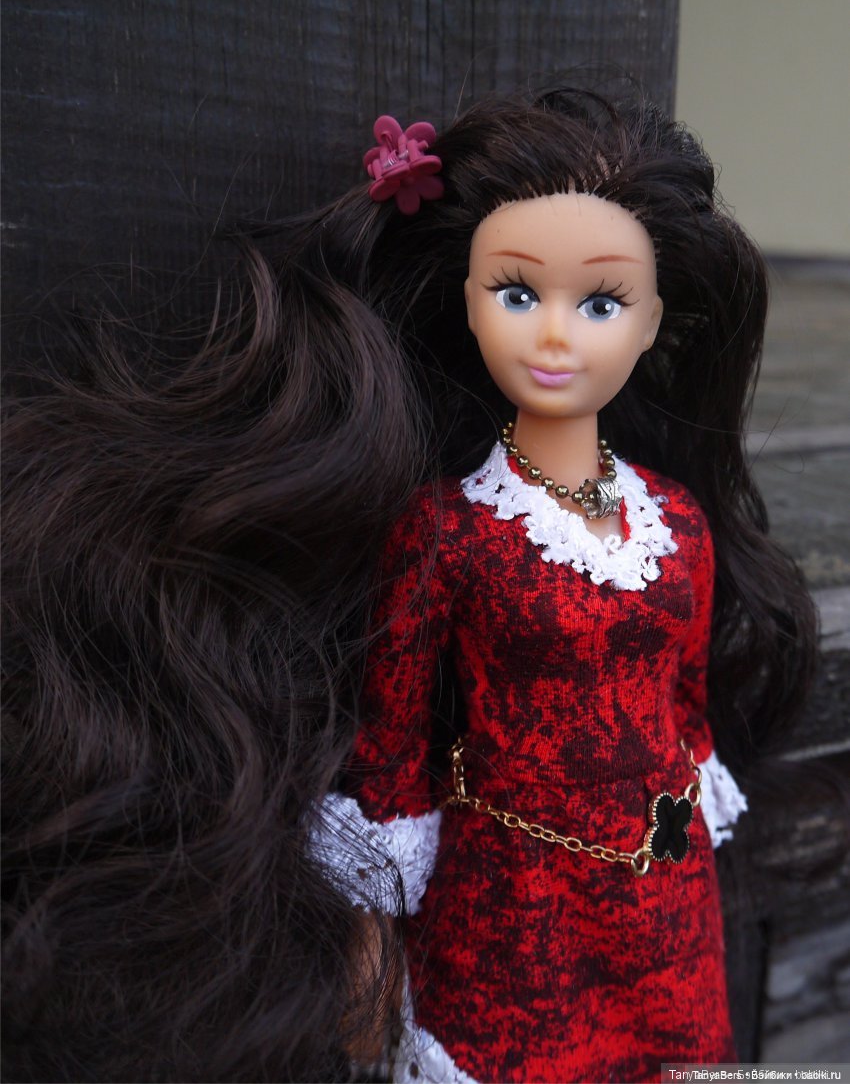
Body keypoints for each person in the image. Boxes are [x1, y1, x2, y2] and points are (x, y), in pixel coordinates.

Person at [2, 84, 815, 1083]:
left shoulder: (677, 522)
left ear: (650, 324)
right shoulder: (450, 530)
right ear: (469, 305)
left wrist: (689, 798)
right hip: (513, 898)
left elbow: (682, 693)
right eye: (517, 293)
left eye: (601, 303)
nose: (555, 335)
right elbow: (393, 735)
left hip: (663, 889)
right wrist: (374, 916)